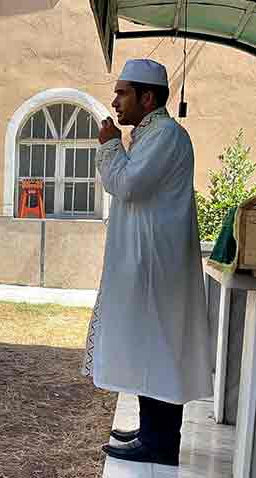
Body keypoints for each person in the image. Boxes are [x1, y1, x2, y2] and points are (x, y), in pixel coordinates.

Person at [84, 59, 212, 467]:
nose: (115, 102)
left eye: (123, 93)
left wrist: (109, 145)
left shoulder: (167, 135)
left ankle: (161, 442)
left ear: (147, 97)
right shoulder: (150, 134)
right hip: (147, 264)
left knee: (159, 349)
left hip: (158, 267)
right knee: (147, 346)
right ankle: (150, 430)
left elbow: (127, 184)